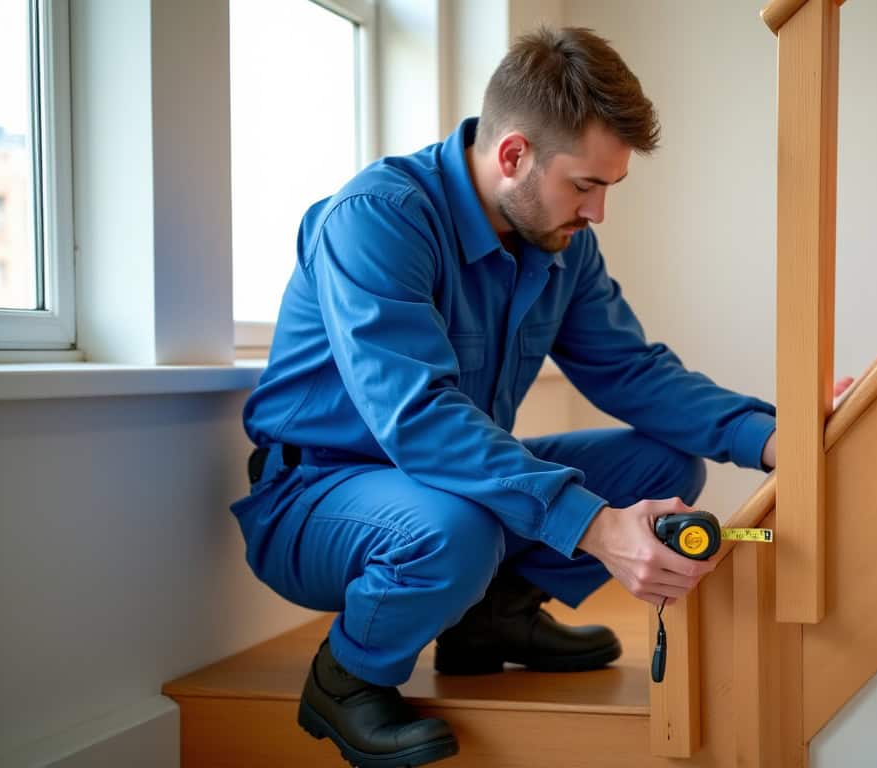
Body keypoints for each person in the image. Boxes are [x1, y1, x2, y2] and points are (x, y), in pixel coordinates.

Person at [230, 26, 810, 768]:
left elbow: (633, 372)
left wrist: (774, 438)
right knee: (457, 529)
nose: (597, 212)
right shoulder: (377, 218)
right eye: (585, 185)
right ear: (513, 156)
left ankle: (490, 619)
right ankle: (347, 677)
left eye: (609, 188)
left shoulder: (562, 244)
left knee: (664, 468)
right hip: (317, 497)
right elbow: (419, 418)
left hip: (444, 489)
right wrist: (594, 526)